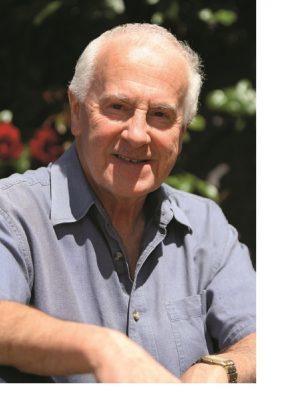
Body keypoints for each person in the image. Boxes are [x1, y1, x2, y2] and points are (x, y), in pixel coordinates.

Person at [0, 23, 256, 383]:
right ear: (76, 112)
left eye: (160, 115)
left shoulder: (206, 225)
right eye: (118, 107)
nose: (137, 134)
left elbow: (260, 339)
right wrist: (102, 349)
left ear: (182, 131)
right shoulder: (12, 211)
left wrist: (222, 370)